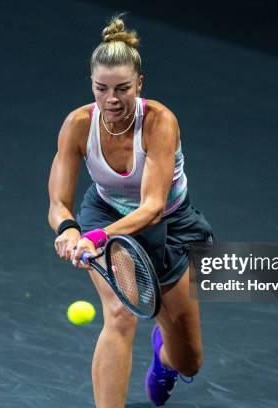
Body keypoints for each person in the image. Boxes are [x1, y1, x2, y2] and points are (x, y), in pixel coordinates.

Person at [47, 14, 214, 408]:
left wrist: (95, 238)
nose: (111, 100)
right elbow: (58, 203)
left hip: (170, 226)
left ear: (140, 84)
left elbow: (153, 206)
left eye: (122, 88)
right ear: (91, 85)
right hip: (105, 217)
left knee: (190, 360)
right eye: (101, 89)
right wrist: (69, 230)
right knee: (120, 313)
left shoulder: (160, 122)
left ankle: (164, 360)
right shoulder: (77, 125)